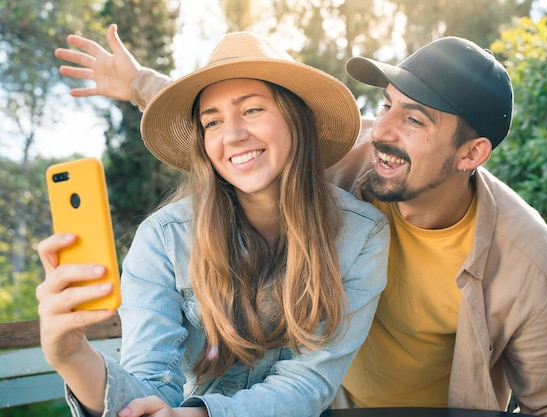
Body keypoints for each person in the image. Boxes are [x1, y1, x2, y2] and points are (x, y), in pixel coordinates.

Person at [54, 24, 547, 416]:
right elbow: (239, 130)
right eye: (385, 105)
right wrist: (140, 83)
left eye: (414, 118)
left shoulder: (521, 254)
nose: (383, 130)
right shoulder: (358, 155)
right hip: (330, 402)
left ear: (470, 154)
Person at [38, 30, 390, 417]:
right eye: (212, 122)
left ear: (297, 120)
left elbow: (307, 384)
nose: (233, 136)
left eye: (253, 110)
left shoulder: (362, 235)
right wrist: (72, 357)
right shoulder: (164, 239)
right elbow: (150, 388)